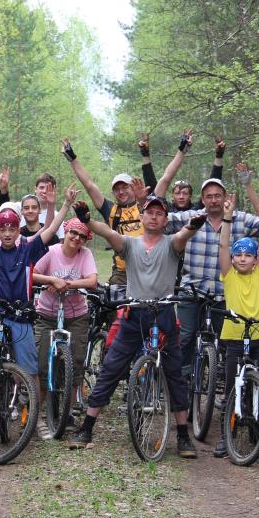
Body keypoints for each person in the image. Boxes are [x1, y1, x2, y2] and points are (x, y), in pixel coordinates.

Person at [69, 195, 200, 457]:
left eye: (159, 213)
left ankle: (183, 436)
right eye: (149, 212)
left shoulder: (172, 244)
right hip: (134, 314)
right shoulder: (129, 244)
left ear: (165, 219)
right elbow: (108, 232)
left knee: (174, 373)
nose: (153, 216)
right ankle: (87, 426)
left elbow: (184, 236)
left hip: (163, 314)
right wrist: (87, 220)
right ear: (142, 217)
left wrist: (194, 225)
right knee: (111, 368)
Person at [0, 184, 75, 417]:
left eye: (12, 228)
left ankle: (29, 410)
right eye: (3, 229)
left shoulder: (28, 250)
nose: (8, 233)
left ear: (18, 230)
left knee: (29, 368)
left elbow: (51, 229)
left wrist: (66, 205)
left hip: (22, 314)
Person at [166, 175, 259, 379]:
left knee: (226, 342)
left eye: (217, 195)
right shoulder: (193, 217)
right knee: (186, 336)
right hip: (193, 289)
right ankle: (181, 378)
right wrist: (146, 202)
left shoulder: (241, 218)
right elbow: (161, 219)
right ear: (202, 199)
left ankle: (226, 381)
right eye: (209, 196)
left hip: (224, 294)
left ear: (225, 197)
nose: (213, 200)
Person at [63, 137, 174, 294]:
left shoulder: (147, 206)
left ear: (133, 187)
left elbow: (164, 180)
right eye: (117, 189)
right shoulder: (111, 210)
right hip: (121, 273)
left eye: (125, 187)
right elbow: (89, 185)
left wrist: (145, 154)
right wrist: (72, 158)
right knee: (113, 312)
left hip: (149, 269)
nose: (121, 192)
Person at [212, 193, 259, 457]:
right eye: (239, 255)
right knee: (230, 386)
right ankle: (228, 433)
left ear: (256, 260)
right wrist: (227, 217)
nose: (243, 258)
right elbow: (223, 247)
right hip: (234, 335)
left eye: (248, 255)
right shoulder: (229, 276)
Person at [32, 219, 99, 419]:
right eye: (73, 233)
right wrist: (52, 280)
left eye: (81, 236)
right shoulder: (52, 252)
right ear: (66, 232)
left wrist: (66, 284)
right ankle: (35, 414)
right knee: (42, 364)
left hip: (76, 316)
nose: (76, 238)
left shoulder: (85, 254)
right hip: (47, 315)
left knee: (76, 362)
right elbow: (32, 273)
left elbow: (92, 281)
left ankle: (67, 413)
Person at [139, 132, 225, 210]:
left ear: (190, 196)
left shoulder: (198, 209)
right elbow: (163, 181)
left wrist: (219, 155)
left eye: (185, 193)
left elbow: (213, 185)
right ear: (172, 196)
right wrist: (145, 154)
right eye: (177, 193)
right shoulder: (165, 208)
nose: (181, 197)